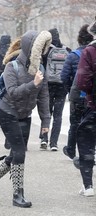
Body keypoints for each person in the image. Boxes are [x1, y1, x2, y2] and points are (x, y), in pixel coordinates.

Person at [0, 30, 52, 207]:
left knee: (16, 153)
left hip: (24, 115)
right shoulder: (11, 67)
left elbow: (44, 96)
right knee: (20, 152)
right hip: (7, 113)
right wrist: (33, 83)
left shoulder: (40, 69)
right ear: (30, 47)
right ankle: (17, 195)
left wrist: (46, 122)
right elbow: (13, 93)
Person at [61, 24, 94, 160]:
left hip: (76, 95)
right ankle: (87, 152)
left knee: (74, 123)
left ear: (79, 39)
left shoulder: (73, 55)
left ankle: (71, 149)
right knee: (89, 124)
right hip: (90, 95)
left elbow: (64, 77)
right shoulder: (93, 53)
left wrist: (70, 90)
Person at [39, 28, 71, 151]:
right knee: (58, 116)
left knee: (46, 114)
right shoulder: (67, 50)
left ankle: (44, 138)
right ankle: (54, 143)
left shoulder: (46, 51)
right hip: (61, 88)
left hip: (48, 86)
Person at [75, 17, 96, 197]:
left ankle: (88, 185)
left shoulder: (90, 51)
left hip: (94, 105)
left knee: (86, 142)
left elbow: (82, 82)